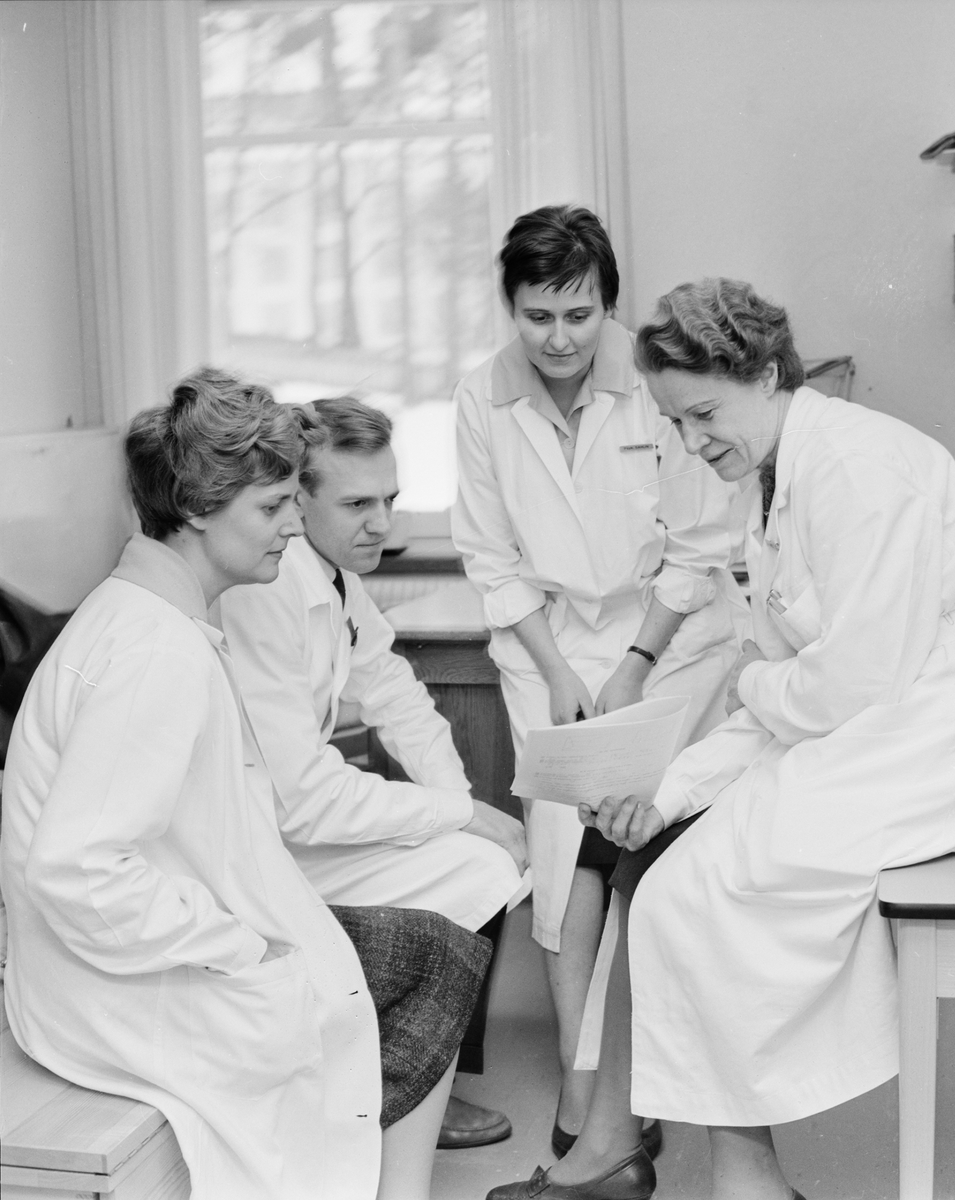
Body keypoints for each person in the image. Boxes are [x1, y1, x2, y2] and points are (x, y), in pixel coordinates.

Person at [490, 278, 955, 1200]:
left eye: (704, 412)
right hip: (891, 716)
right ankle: (695, 1167)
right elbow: (787, 694)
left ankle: (731, 1175)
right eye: (677, 422)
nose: (692, 440)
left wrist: (749, 683)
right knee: (668, 874)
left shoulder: (853, 467)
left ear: (767, 373)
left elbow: (836, 685)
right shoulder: (775, 481)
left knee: (693, 884)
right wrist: (668, 792)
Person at [0, 371, 478, 1200]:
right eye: (272, 507)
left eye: (294, 501)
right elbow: (76, 873)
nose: (295, 525)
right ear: (194, 508)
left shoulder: (162, 617)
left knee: (434, 951)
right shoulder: (155, 653)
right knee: (414, 966)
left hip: (129, 956)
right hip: (113, 993)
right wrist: (243, 947)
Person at [452, 206, 743, 1151]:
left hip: (673, 643)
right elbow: (492, 561)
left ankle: (649, 1095)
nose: (560, 338)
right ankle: (588, 1104)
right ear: (511, 307)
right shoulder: (479, 399)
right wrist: (559, 676)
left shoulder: (654, 385)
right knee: (561, 865)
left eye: (579, 314)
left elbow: (699, 549)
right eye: (538, 316)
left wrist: (634, 666)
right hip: (550, 649)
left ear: (606, 306)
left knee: (642, 861)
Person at [217, 395, 529, 1149]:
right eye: (357, 502)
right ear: (297, 497)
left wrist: (460, 802)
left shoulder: (333, 574)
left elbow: (393, 691)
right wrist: (460, 817)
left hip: (293, 830)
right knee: (480, 869)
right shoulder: (269, 586)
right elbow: (306, 801)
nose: (383, 523)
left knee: (488, 857)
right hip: (255, 855)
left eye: (390, 499)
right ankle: (395, 1084)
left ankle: (417, 1073)